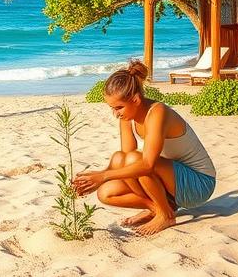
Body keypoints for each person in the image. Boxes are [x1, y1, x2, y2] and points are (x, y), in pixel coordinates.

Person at [72, 60, 216, 236]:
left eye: (118, 108)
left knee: (136, 160)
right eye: (112, 108)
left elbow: (147, 164)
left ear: (136, 99)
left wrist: (103, 176)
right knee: (107, 191)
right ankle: (156, 207)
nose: (115, 113)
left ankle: (166, 215)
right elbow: (123, 160)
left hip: (199, 184)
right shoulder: (127, 117)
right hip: (172, 183)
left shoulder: (158, 112)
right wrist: (95, 179)